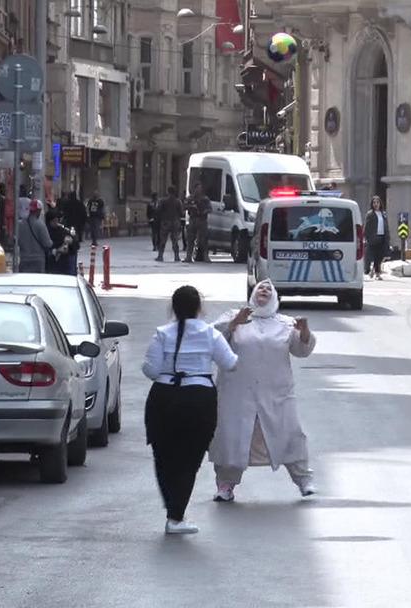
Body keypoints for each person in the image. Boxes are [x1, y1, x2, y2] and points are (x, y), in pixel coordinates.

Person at [142, 286, 238, 534]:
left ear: (173, 308)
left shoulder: (161, 334)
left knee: (163, 457)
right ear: (199, 308)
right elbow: (230, 363)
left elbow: (151, 370)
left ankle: (172, 510)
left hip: (163, 397)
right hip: (199, 399)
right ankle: (176, 516)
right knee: (189, 459)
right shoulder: (211, 334)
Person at [210, 280, 317, 502]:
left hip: (276, 393)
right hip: (237, 393)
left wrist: (305, 331)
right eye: (261, 287)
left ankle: (304, 480)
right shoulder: (234, 316)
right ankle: (225, 484)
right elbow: (211, 339)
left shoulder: (285, 323)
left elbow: (301, 350)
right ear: (253, 293)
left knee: (289, 435)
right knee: (232, 437)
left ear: (275, 297)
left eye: (269, 289)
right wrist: (234, 323)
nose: (264, 290)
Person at [18, 199, 54, 273]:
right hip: (38, 260)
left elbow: (16, 241)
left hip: (24, 258)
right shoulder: (40, 225)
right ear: (39, 211)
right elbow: (47, 244)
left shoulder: (20, 224)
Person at [184, 183, 212, 263]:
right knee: (190, 239)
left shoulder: (205, 199)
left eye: (200, 188)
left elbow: (210, 209)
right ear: (194, 189)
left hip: (202, 220)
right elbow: (184, 206)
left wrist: (204, 211)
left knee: (204, 240)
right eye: (197, 188)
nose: (199, 190)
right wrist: (191, 207)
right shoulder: (190, 198)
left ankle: (206, 257)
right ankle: (188, 257)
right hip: (193, 219)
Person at [363, 196, 389, 280]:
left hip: (382, 237)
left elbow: (386, 226)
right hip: (373, 238)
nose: (376, 204)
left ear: (380, 204)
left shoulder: (383, 214)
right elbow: (367, 227)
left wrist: (387, 237)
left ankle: (376, 272)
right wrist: (366, 237)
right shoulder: (370, 214)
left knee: (380, 256)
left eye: (377, 202)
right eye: (374, 203)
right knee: (372, 256)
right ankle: (373, 271)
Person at [46, 209, 78, 275]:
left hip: (64, 263)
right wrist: (57, 250)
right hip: (51, 264)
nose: (56, 223)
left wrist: (71, 242)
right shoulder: (46, 231)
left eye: (57, 220)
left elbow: (75, 245)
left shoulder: (63, 230)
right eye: (53, 221)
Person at [157, 186, 184, 262]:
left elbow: (158, 210)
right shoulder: (178, 201)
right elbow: (181, 213)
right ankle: (176, 256)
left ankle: (160, 256)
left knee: (163, 240)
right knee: (175, 240)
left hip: (165, 222)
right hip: (175, 222)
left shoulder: (163, 201)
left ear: (168, 191)